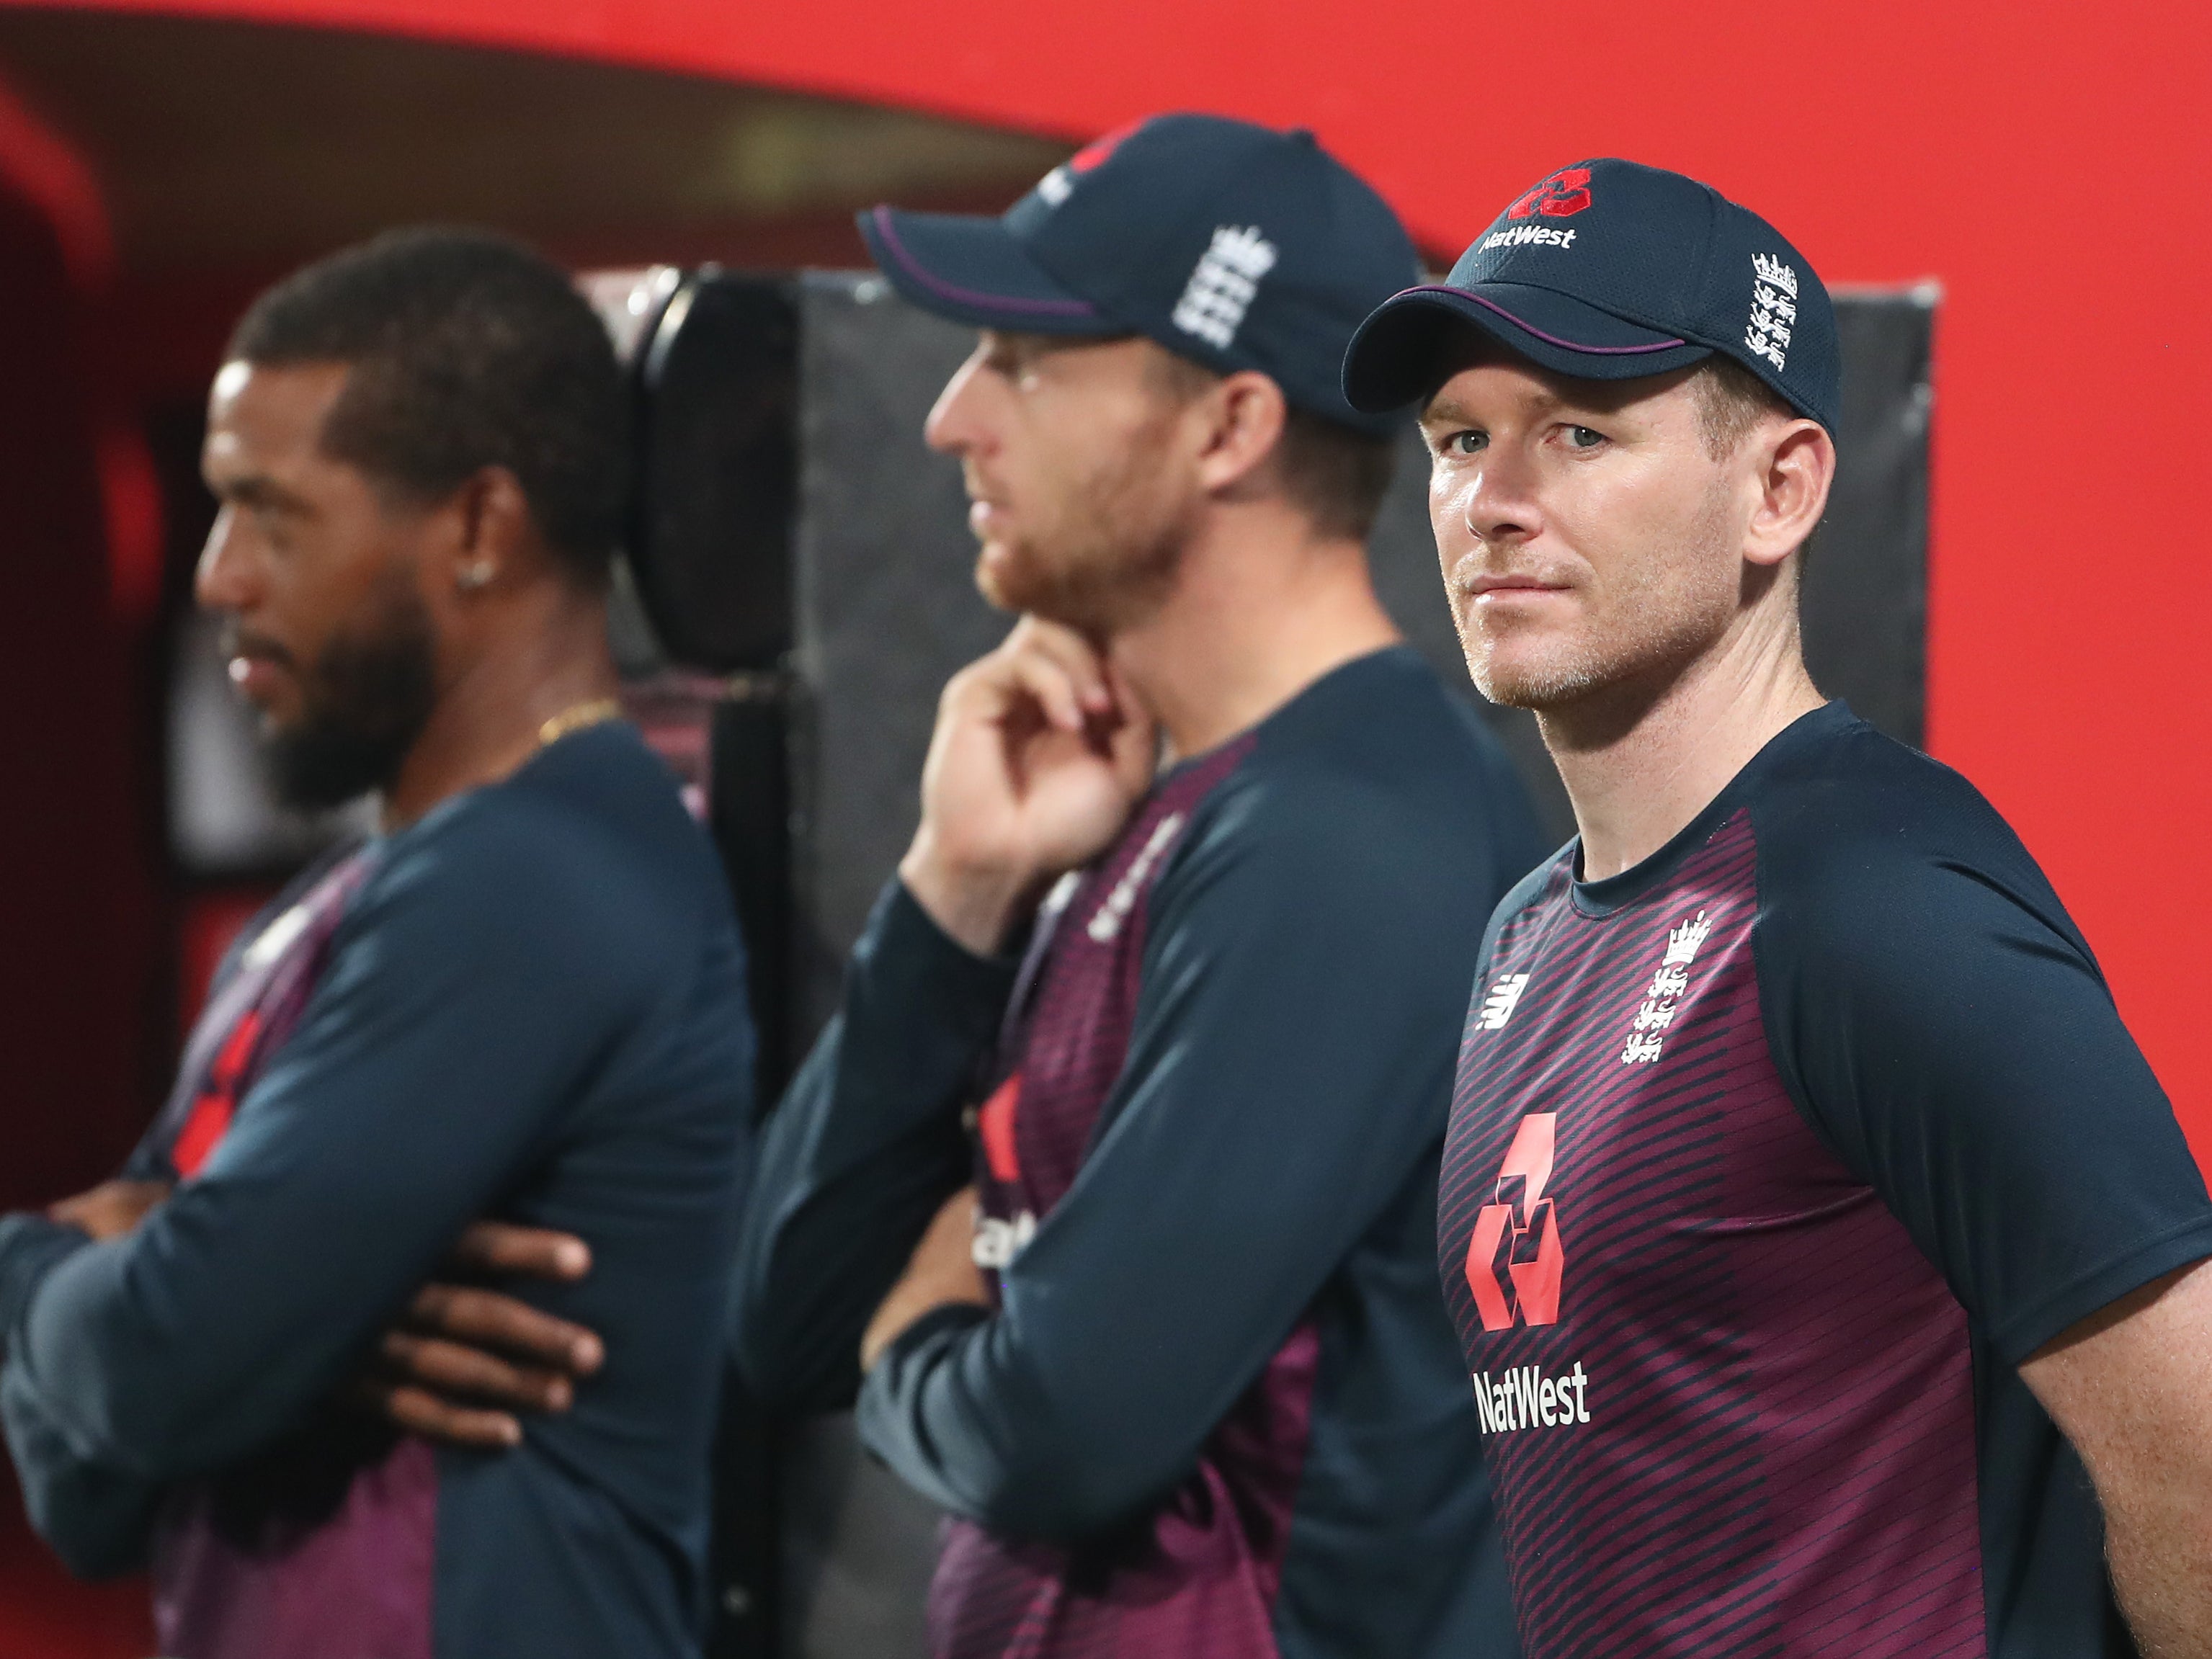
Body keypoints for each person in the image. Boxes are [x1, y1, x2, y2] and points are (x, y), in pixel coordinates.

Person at [373, 115, 1545, 1657]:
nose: (950, 417)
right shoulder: (1143, 802)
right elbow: (786, 1319)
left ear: (1228, 428)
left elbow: (1063, 1430)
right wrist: (954, 889)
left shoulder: (1353, 832)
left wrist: (922, 1327)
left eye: (1025, 358)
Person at [1338, 156, 2212, 1658]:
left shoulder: (1871, 902)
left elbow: (2195, 1459)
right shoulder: (1525, 938)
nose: (1490, 501)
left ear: (1780, 488)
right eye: (1459, 438)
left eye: (1577, 433)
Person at [0, 229, 755, 1659]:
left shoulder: (536, 877)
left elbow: (160, 1371)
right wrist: (274, 1328)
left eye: (271, 515)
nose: (220, 575)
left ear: (479, 528)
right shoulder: (321, 916)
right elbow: (88, 1489)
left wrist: (42, 1262)